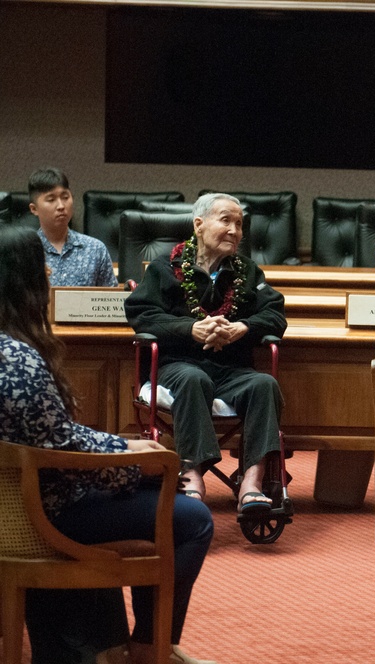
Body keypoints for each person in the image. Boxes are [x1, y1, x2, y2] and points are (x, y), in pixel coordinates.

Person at [0, 225, 214, 664]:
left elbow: (49, 437)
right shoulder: (18, 358)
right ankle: (149, 647)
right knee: (191, 517)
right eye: (40, 268)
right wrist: (130, 457)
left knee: (151, 483)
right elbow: (59, 452)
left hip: (21, 500)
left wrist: (119, 448)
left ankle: (124, 644)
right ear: (26, 282)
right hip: (43, 511)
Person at [125, 193, 287, 512]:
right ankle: (192, 474)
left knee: (264, 385)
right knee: (193, 378)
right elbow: (142, 314)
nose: (234, 230)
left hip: (232, 369)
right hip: (179, 364)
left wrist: (243, 328)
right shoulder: (164, 269)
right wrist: (190, 329)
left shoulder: (247, 271)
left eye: (239, 224)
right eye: (225, 220)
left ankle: (251, 484)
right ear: (199, 225)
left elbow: (275, 314)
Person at [28, 166, 118, 287]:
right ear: (34, 209)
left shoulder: (95, 250)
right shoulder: (25, 251)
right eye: (51, 199)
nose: (61, 206)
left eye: (65, 197)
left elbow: (110, 302)